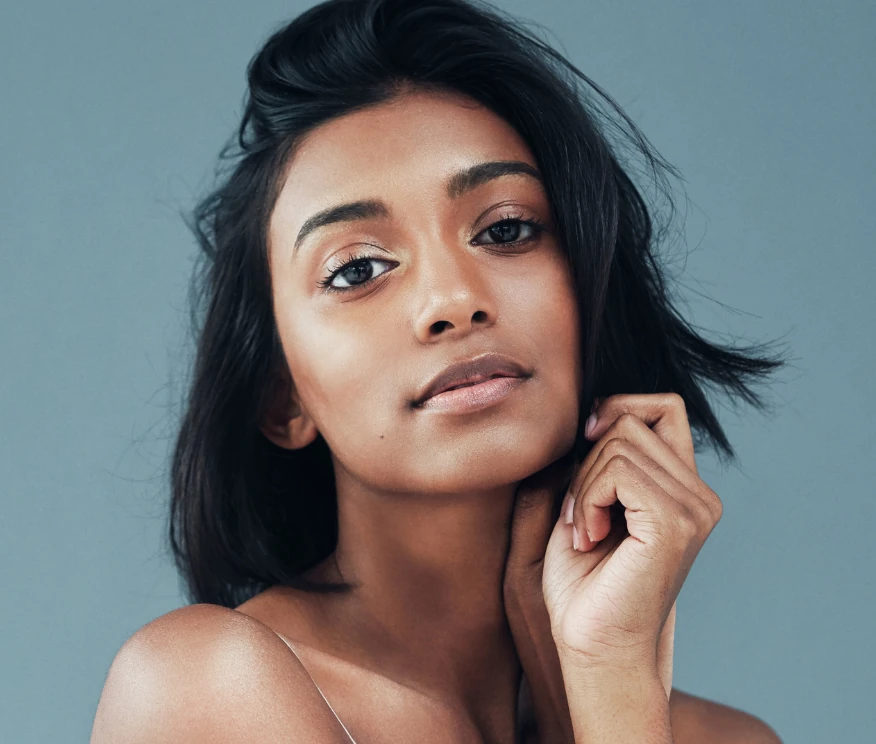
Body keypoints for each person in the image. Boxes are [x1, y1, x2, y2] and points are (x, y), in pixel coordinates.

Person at [90, 0, 789, 741]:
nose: (453, 301)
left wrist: (601, 682)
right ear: (281, 395)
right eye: (357, 269)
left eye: (507, 229)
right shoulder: (206, 686)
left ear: (590, 287)